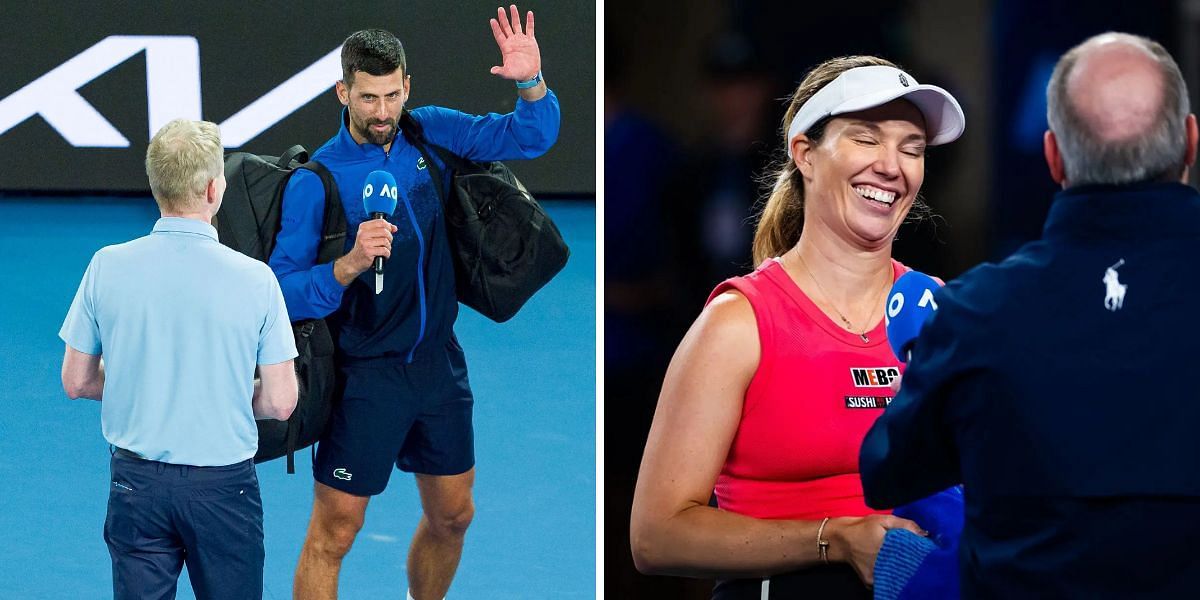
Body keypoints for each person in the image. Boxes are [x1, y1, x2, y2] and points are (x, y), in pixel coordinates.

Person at [859, 32, 1200, 598]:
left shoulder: (969, 315)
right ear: (1190, 142)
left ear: (1054, 156)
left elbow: (887, 471)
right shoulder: (968, 314)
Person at [630, 55, 965, 598]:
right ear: (805, 154)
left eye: (912, 148)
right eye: (866, 138)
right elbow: (655, 537)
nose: (891, 165)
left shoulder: (941, 310)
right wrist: (836, 539)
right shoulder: (738, 323)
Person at [268, 8, 560, 600]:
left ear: (408, 88)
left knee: (454, 516)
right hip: (366, 374)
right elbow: (280, 289)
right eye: (369, 98)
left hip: (438, 365)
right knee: (336, 532)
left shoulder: (429, 132)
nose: (382, 113)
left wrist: (531, 84)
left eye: (393, 95)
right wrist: (346, 266)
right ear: (343, 91)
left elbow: (530, 135)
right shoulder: (315, 180)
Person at [58, 118, 299, 600]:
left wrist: (142, 382)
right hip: (223, 490)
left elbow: (78, 381)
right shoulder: (255, 280)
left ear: (156, 186)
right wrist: (217, 392)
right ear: (214, 189)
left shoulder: (107, 265)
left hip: (136, 486)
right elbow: (280, 401)